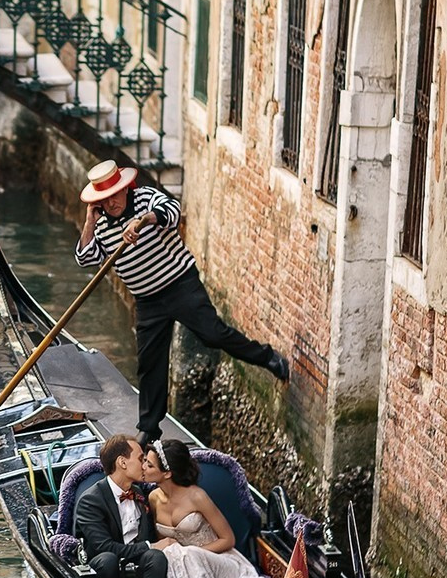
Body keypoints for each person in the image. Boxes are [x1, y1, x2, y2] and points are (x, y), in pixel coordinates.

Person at [75, 159, 289, 446]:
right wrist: (90, 220)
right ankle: (150, 428)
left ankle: (266, 357)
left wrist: (143, 220)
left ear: (126, 189)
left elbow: (173, 212)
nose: (111, 202)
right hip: (147, 301)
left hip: (180, 284)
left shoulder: (146, 198)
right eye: (104, 199)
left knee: (213, 334)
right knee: (150, 363)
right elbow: (86, 258)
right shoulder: (100, 226)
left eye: (115, 194)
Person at [142, 439, 265, 578]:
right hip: (181, 569)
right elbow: (166, 543)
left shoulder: (197, 496)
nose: (143, 467)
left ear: (167, 473)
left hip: (220, 560)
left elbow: (228, 540)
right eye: (144, 461)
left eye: (149, 465)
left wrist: (191, 553)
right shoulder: (153, 498)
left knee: (189, 554)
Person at [72, 434, 168, 578]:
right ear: (122, 462)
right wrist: (150, 546)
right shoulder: (90, 501)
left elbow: (148, 534)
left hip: (137, 561)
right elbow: (104, 547)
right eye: (140, 459)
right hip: (105, 567)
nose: (144, 466)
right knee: (108, 560)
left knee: (156, 557)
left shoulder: (139, 493)